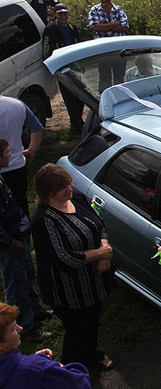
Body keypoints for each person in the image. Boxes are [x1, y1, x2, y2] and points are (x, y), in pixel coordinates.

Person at [31, 164, 115, 371]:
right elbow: (65, 258)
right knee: (78, 330)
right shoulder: (44, 220)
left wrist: (104, 249)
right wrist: (101, 254)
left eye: (69, 183)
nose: (70, 188)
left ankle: (90, 356)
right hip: (68, 290)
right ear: (49, 193)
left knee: (92, 322)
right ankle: (72, 369)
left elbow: (98, 224)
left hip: (92, 281)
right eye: (63, 187)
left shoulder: (75, 197)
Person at [0, 139, 52, 343]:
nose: (10, 155)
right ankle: (25, 328)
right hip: (8, 243)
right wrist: (10, 241)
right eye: (6, 152)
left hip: (17, 235)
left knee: (27, 275)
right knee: (16, 285)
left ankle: (34, 311)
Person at [0, 302, 90, 388]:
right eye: (12, 329)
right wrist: (56, 366)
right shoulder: (40, 368)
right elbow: (80, 383)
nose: (20, 328)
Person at [42, 4, 84, 134]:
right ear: (55, 15)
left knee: (81, 95)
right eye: (60, 14)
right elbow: (46, 48)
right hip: (61, 66)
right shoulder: (50, 30)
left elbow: (79, 45)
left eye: (65, 14)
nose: (63, 16)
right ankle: (78, 125)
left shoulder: (72, 28)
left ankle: (77, 121)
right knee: (69, 97)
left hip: (75, 65)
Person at [0, 95, 43, 214]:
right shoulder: (16, 105)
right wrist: (31, 150)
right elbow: (38, 129)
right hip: (16, 166)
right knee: (20, 205)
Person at [89, 0, 129, 90]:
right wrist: (115, 24)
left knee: (119, 78)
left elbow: (125, 29)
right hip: (102, 50)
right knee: (104, 78)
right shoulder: (94, 10)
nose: (105, 0)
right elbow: (96, 28)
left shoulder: (118, 9)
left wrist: (105, 27)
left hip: (119, 49)